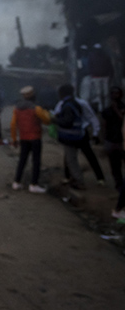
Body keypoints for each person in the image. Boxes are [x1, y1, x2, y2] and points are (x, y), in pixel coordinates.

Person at [53, 84, 103, 190]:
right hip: (78, 132)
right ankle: (70, 177)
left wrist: (95, 133)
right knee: (73, 156)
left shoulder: (75, 103)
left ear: (62, 94)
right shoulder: (66, 103)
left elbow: (91, 118)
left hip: (77, 133)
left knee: (75, 157)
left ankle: (97, 178)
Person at [10, 86, 51, 194]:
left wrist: (14, 138)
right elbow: (47, 120)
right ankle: (34, 184)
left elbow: (13, 124)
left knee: (22, 160)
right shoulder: (36, 108)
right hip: (35, 137)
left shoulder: (17, 108)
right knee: (36, 161)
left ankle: (16, 182)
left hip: (23, 138)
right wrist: (46, 112)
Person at [101, 87, 125, 220]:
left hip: (120, 142)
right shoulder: (107, 109)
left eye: (117, 93)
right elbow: (104, 124)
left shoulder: (121, 107)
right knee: (115, 168)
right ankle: (119, 189)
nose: (115, 95)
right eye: (113, 93)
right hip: (112, 141)